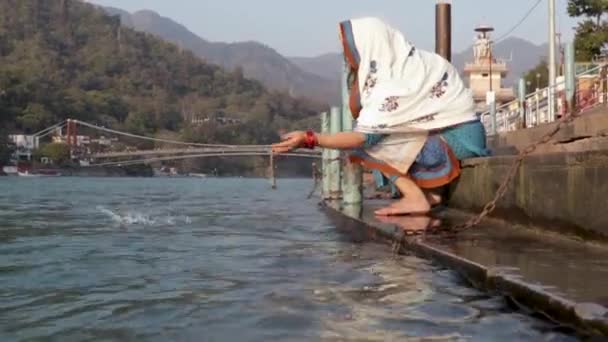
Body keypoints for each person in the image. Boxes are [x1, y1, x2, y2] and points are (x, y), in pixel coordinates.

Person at [272, 17, 488, 216]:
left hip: (456, 142)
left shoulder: (389, 85)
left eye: (349, 48)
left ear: (368, 46)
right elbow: (362, 107)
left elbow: (365, 137)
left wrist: (310, 139)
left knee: (368, 144)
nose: (348, 56)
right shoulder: (416, 63)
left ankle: (415, 199)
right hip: (468, 136)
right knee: (397, 131)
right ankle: (433, 193)